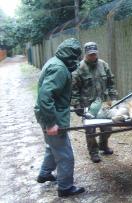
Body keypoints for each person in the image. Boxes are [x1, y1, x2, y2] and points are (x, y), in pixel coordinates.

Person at [34, 38, 85, 197]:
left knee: (52, 146)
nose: (76, 60)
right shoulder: (59, 68)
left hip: (48, 113)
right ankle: (65, 187)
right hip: (52, 115)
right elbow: (45, 96)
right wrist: (51, 124)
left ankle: (44, 173)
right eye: (76, 56)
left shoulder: (54, 61)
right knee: (64, 154)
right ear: (71, 55)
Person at [72, 42, 118, 163]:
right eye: (90, 54)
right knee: (90, 130)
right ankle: (93, 152)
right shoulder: (79, 68)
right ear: (85, 54)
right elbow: (74, 88)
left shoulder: (103, 65)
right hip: (88, 105)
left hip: (103, 103)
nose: (93, 56)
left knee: (107, 127)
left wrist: (113, 97)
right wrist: (77, 104)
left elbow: (110, 82)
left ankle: (103, 145)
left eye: (94, 54)